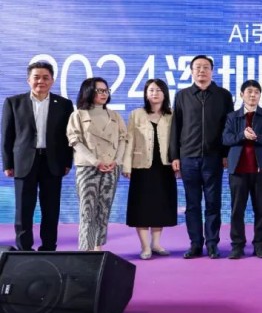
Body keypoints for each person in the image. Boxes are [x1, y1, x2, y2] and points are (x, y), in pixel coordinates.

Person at [2, 60, 74, 252]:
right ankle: (24, 248)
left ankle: (49, 247)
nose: (41, 81)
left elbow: (69, 137)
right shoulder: (13, 102)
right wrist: (7, 163)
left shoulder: (64, 104)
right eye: (36, 77)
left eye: (45, 77)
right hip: (23, 163)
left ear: (52, 81)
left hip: (53, 162)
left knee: (51, 209)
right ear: (28, 80)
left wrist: (68, 162)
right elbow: (7, 136)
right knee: (23, 209)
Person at [169, 55, 234, 260]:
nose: (201, 71)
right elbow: (175, 127)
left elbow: (229, 128)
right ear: (191, 71)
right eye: (197, 67)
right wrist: (175, 156)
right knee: (192, 204)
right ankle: (195, 244)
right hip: (188, 157)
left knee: (213, 203)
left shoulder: (223, 95)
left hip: (214, 157)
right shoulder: (182, 96)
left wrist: (226, 153)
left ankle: (212, 244)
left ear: (212, 71)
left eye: (206, 67)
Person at [66, 77, 127, 252]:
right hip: (88, 168)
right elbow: (75, 141)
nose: (103, 94)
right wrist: (95, 161)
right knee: (87, 210)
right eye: (99, 90)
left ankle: (98, 247)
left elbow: (123, 139)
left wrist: (117, 161)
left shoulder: (115, 116)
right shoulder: (78, 115)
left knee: (104, 209)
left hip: (111, 168)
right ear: (88, 91)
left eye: (106, 90)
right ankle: (85, 250)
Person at [222, 80, 262, 259]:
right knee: (237, 210)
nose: (253, 95)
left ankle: (260, 245)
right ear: (241, 95)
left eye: (256, 92)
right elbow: (226, 139)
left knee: (261, 209)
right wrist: (242, 135)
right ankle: (237, 245)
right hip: (238, 170)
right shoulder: (233, 116)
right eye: (249, 91)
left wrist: (257, 137)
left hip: (261, 170)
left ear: (260, 95)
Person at [122, 78, 177, 260]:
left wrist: (178, 162)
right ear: (146, 94)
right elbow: (129, 140)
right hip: (141, 167)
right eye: (151, 90)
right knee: (142, 206)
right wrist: (127, 165)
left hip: (165, 167)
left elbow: (177, 141)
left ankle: (156, 243)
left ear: (165, 93)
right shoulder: (136, 114)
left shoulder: (172, 114)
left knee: (160, 205)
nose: (155, 93)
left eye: (159, 90)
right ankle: (145, 246)